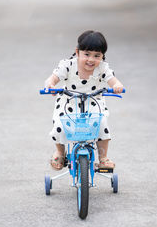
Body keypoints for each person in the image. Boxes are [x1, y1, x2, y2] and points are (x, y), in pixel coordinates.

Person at [44, 30, 124, 170]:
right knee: (59, 125)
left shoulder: (103, 68)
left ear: (102, 56)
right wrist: (50, 85)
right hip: (69, 103)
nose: (91, 59)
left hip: (94, 103)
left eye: (97, 55)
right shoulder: (68, 65)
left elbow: (114, 81)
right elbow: (53, 78)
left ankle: (103, 157)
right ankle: (60, 152)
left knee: (102, 124)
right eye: (87, 54)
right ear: (77, 52)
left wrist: (117, 86)